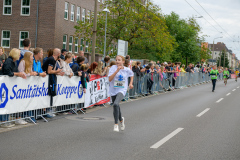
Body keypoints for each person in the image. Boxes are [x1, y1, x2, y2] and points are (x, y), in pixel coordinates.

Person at [1, 48, 27, 127]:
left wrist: (19, 74)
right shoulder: (9, 61)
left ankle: (6, 120)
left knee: (8, 102)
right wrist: (18, 74)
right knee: (4, 102)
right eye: (19, 54)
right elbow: (8, 73)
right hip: (5, 85)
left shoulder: (13, 62)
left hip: (9, 86)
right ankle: (3, 121)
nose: (20, 55)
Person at [108, 55, 134, 132]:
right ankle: (121, 120)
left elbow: (132, 74)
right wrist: (116, 71)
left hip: (122, 89)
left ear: (123, 61)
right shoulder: (113, 68)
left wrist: (131, 83)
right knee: (116, 106)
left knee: (116, 104)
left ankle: (116, 124)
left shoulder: (127, 69)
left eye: (119, 60)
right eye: (116, 60)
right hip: (113, 90)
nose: (117, 61)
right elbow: (109, 79)